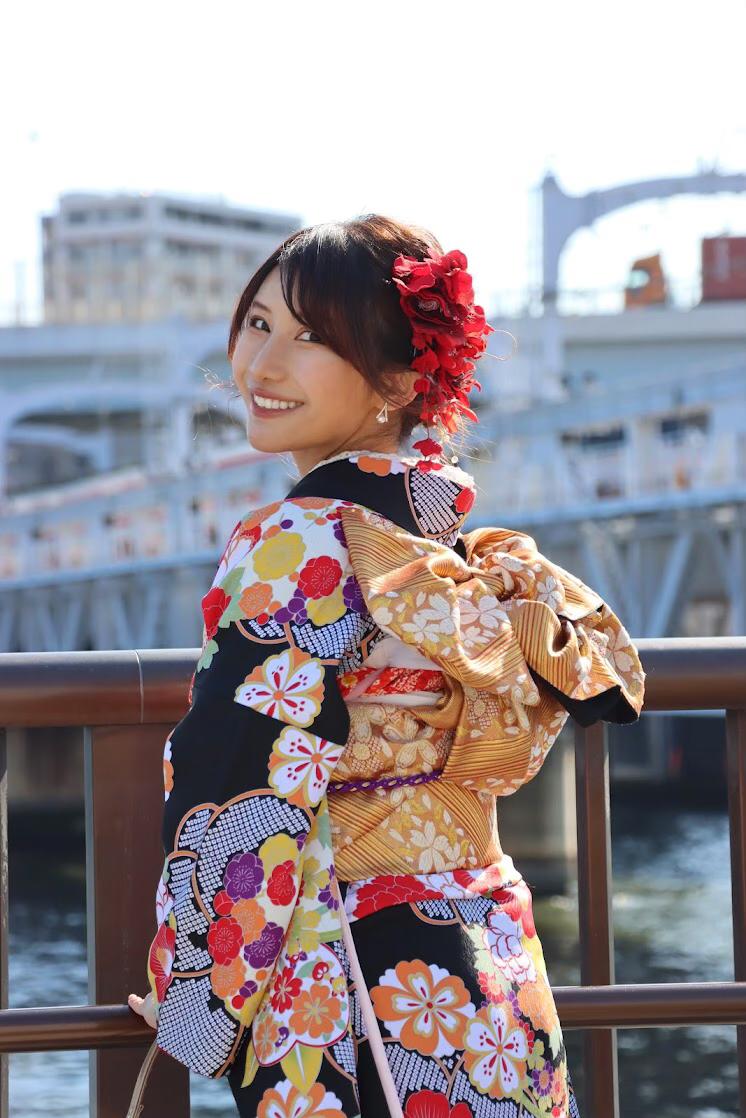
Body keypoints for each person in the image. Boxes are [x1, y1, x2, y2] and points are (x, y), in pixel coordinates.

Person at [127, 215, 646, 1117]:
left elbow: (238, 777)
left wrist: (198, 1000)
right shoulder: (442, 539)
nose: (262, 365)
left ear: (400, 382)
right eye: (258, 324)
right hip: (484, 947)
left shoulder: (297, 541)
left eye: (311, 339)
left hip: (350, 967)